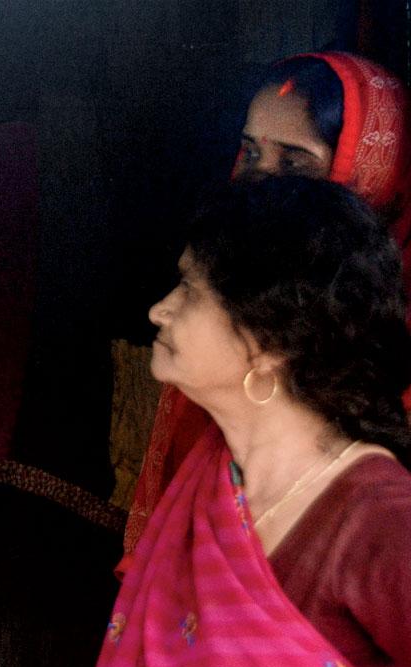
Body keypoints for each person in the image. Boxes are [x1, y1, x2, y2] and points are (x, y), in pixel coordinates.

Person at [85, 177, 411, 667]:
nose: (159, 310)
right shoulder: (216, 475)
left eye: (189, 290)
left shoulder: (376, 518)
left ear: (271, 341)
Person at [122, 51, 411, 566]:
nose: (262, 181)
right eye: (252, 154)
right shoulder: (236, 296)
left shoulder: (379, 515)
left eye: (295, 164)